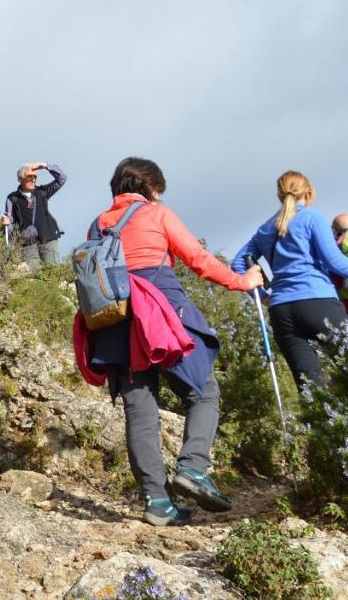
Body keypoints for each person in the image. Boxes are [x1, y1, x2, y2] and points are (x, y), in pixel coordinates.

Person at [84, 158, 262, 527]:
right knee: (203, 391)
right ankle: (193, 467)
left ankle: (157, 502)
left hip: (114, 318)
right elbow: (197, 259)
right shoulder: (157, 214)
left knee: (140, 411)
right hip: (161, 309)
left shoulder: (99, 222)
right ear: (151, 187)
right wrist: (243, 282)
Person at [231, 171, 348, 391]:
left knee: (310, 387)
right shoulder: (313, 218)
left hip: (281, 311)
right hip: (317, 302)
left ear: (279, 196)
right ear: (309, 193)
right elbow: (334, 261)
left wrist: (264, 297)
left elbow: (237, 264)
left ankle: (320, 425)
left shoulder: (265, 229)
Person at [0, 162, 66, 267]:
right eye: (30, 176)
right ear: (20, 179)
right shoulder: (12, 198)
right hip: (27, 243)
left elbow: (61, 178)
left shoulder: (42, 192)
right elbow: (10, 222)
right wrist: (5, 224)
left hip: (48, 237)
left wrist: (45, 166)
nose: (33, 179)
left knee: (53, 271)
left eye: (35, 177)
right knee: (33, 276)